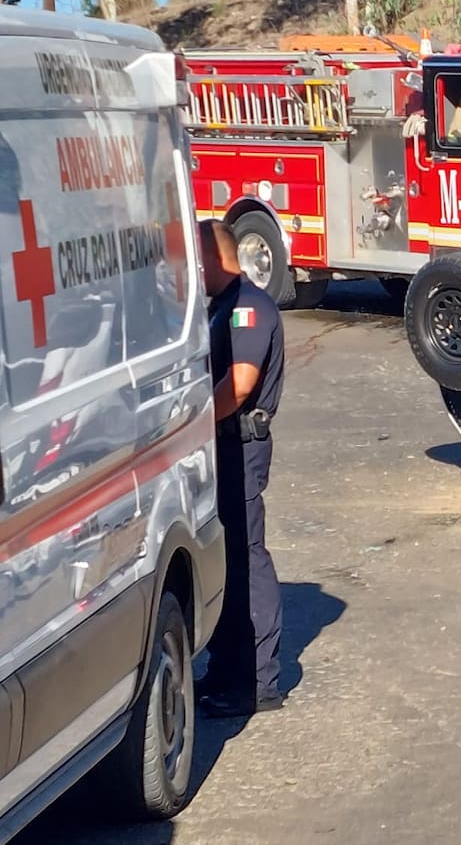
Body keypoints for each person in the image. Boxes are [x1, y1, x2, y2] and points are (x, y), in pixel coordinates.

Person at [197, 219, 287, 718]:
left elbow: (239, 385)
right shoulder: (222, 306)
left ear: (216, 258)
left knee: (246, 560)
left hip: (240, 449)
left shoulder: (249, 308)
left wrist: (190, 426)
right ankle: (227, 667)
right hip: (221, 449)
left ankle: (258, 682)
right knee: (224, 559)